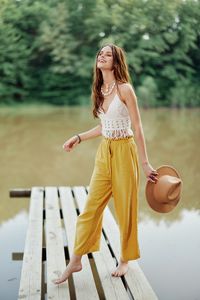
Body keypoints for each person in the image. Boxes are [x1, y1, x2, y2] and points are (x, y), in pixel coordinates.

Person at [53, 44, 158, 284]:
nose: (102, 56)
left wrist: (145, 162)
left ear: (116, 61)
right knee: (91, 208)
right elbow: (104, 127)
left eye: (107, 54)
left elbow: (138, 127)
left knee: (125, 209)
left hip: (125, 151)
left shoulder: (125, 89)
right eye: (100, 53)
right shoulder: (99, 89)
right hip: (105, 153)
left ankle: (125, 258)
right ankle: (76, 260)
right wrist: (78, 137)